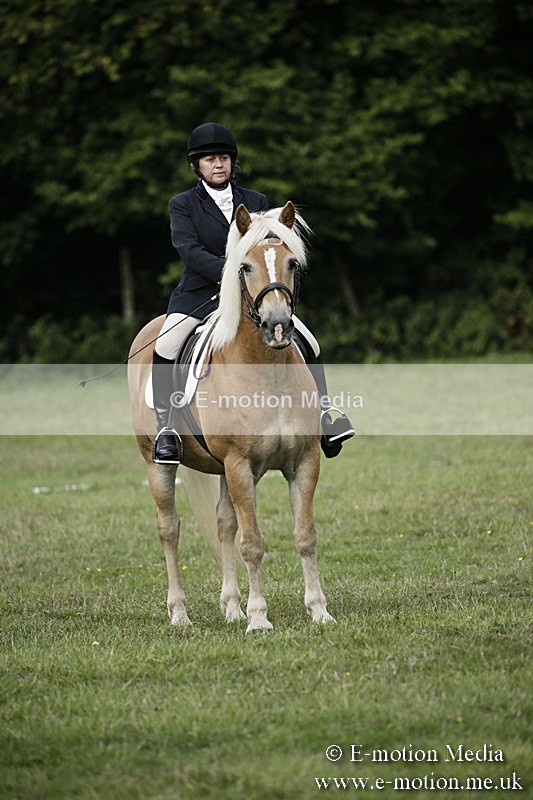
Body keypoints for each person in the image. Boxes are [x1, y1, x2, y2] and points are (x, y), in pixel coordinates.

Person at [152, 122, 354, 464]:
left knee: (309, 341)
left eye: (224, 158)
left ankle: (324, 416)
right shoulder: (183, 204)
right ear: (197, 166)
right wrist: (231, 274)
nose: (218, 164)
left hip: (254, 296)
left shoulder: (255, 201)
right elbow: (188, 249)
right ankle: (166, 429)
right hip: (200, 294)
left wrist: (254, 280)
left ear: (232, 162)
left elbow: (268, 249)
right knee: (166, 344)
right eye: (209, 159)